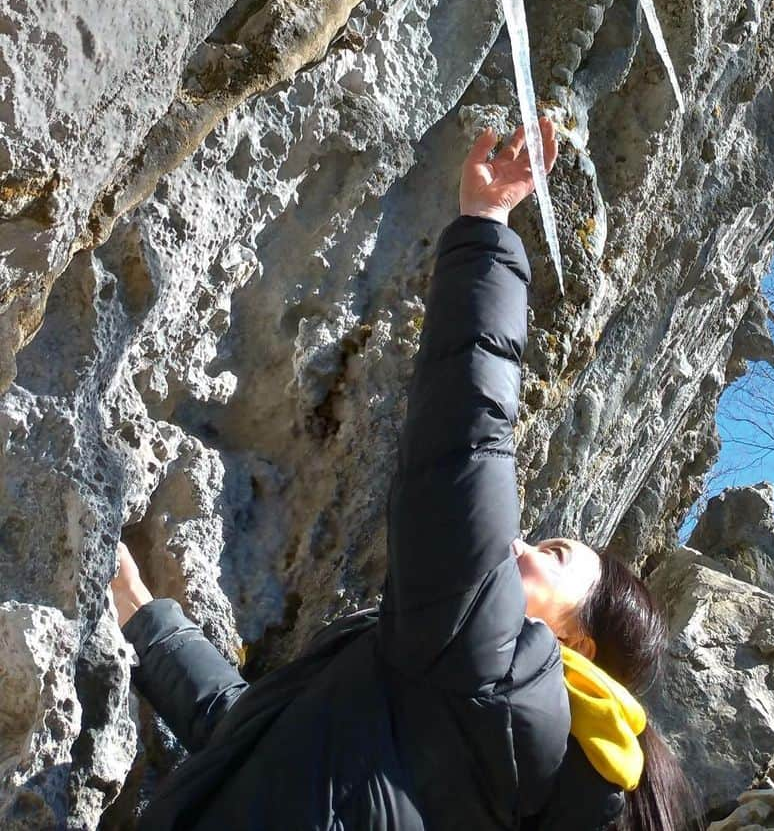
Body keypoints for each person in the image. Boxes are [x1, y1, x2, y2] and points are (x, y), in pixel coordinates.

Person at [110, 118, 705, 831]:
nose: (521, 546)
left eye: (553, 556)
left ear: (575, 644)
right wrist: (144, 615)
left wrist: (486, 224)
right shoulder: (464, 710)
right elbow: (253, 739)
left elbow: (463, 449)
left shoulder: (505, 682)